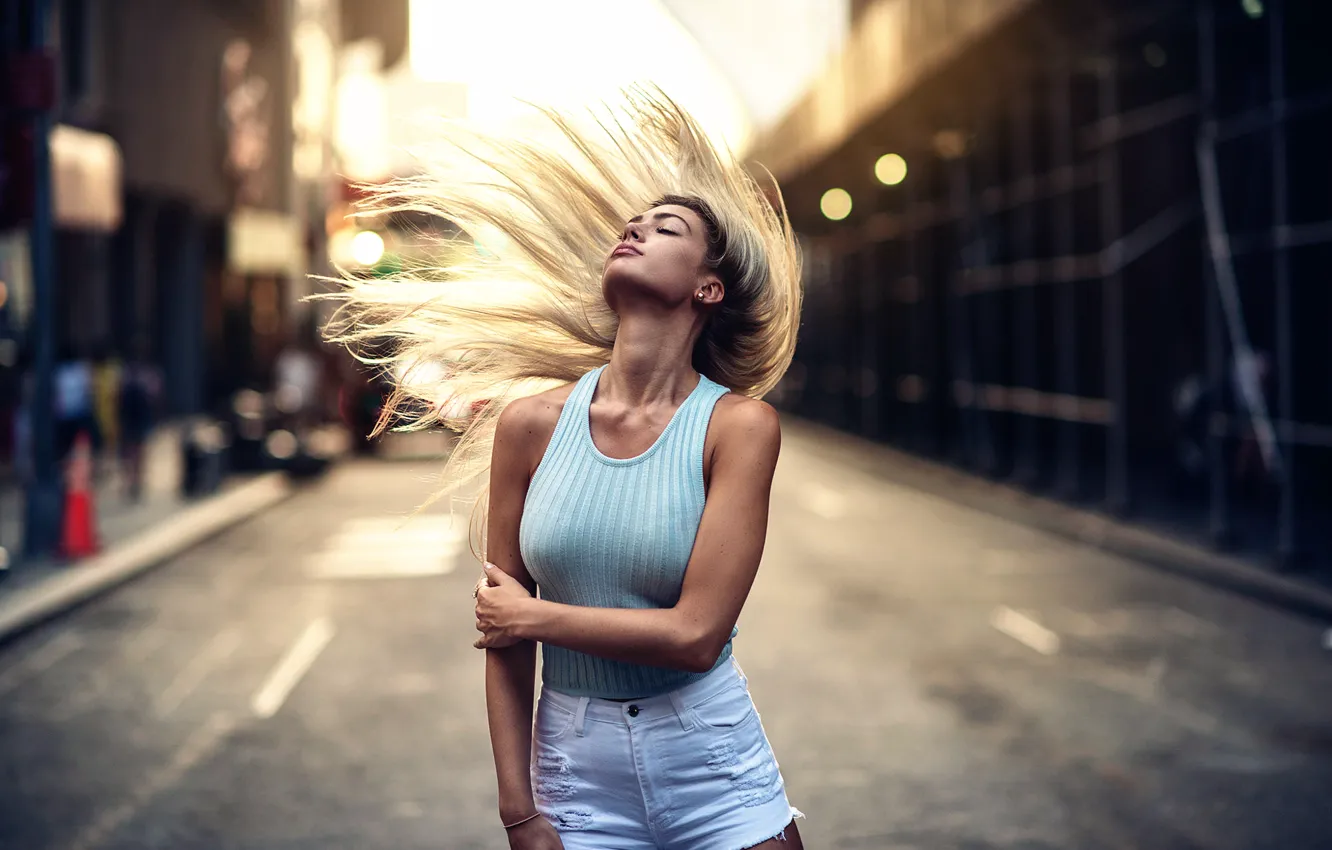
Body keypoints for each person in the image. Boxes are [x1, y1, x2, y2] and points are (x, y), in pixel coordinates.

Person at [324, 88, 804, 849]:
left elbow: (696, 637)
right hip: (575, 766)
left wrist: (535, 616)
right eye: (631, 224)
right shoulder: (530, 426)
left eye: (665, 227)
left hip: (707, 756)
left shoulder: (738, 428)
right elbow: (503, 646)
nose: (634, 231)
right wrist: (519, 811)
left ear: (707, 288)